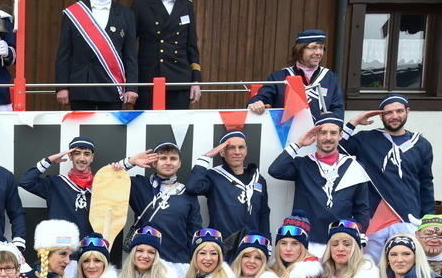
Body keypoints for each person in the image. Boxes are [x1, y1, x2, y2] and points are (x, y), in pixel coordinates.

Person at [343, 94, 436, 260]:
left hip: (408, 218)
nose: (394, 116)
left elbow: (426, 183)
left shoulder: (422, 144)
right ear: (381, 115)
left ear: (408, 111)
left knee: (404, 267)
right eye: (388, 112)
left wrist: (428, 219)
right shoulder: (366, 139)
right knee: (371, 270)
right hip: (373, 218)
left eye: (399, 111)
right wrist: (354, 122)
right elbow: (335, 148)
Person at [268, 113, 370, 254]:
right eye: (323, 133)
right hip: (307, 241)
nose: (328, 138)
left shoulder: (354, 166)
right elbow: (275, 170)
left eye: (333, 133)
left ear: (340, 135)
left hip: (340, 242)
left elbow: (362, 209)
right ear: (316, 136)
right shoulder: (303, 164)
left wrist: (359, 235)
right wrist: (299, 143)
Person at [54, 0, 138, 110]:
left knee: (111, 134)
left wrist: (131, 87)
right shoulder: (73, 13)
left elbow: (130, 55)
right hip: (81, 86)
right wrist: (62, 87)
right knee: (81, 133)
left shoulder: (127, 15)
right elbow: (64, 54)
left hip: (112, 86)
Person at [131, 0, 201, 110]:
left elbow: (192, 46)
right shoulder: (140, 4)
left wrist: (196, 80)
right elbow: (130, 46)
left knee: (177, 131)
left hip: (179, 80)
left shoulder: (186, 5)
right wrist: (131, 83)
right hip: (148, 80)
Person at [121, 142, 201, 273]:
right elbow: (107, 178)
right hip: (144, 263)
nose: (168, 162)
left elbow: (194, 232)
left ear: (179, 163)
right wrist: (131, 162)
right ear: (154, 162)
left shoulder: (188, 194)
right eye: (163, 158)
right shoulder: (139, 185)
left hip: (177, 264)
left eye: (173, 158)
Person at [186, 131, 271, 243]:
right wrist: (206, 157)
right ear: (222, 152)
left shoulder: (258, 179)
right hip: (222, 246)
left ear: (246, 151)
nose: (237, 152)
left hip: (251, 246)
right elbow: (192, 187)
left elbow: (263, 214)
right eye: (231, 148)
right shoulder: (213, 176)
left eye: (241, 147)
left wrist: (266, 243)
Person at [247, 29, 344, 120]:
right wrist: (256, 104)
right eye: (313, 48)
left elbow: (338, 110)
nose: (319, 52)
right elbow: (259, 99)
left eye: (321, 48)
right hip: (287, 134)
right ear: (300, 50)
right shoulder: (279, 77)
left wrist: (331, 118)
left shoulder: (330, 77)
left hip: (320, 135)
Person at [21, 136, 99, 241]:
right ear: (70, 156)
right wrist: (49, 161)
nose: (82, 158)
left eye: (86, 154)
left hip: (90, 248)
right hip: (61, 248)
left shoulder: (100, 186)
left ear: (92, 157)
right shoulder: (55, 183)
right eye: (77, 153)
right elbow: (26, 181)